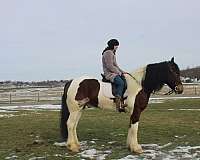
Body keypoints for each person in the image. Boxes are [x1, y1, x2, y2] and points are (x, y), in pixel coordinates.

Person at [102, 39, 127, 112]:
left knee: (125, 81)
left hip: (114, 72)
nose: (117, 47)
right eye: (116, 45)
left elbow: (116, 66)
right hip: (110, 74)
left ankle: (123, 102)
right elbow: (110, 66)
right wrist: (119, 72)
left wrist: (123, 72)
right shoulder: (108, 53)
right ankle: (117, 103)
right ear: (113, 45)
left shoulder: (112, 53)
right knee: (121, 83)